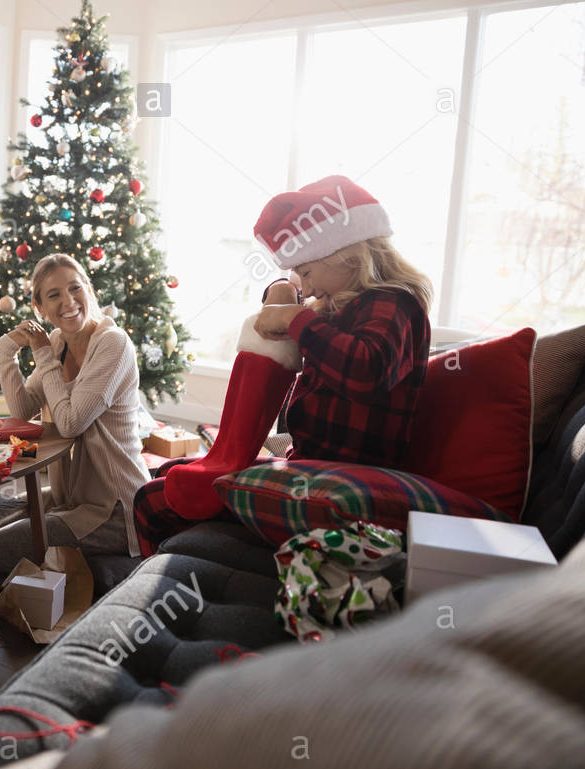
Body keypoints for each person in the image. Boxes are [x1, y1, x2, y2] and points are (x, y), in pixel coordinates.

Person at [133, 175, 433, 554]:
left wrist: (295, 319)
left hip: (341, 477)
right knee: (167, 471)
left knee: (152, 500)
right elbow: (303, 313)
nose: (304, 289)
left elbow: (366, 370)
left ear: (347, 254)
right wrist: (282, 291)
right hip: (310, 463)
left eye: (306, 272)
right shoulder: (347, 303)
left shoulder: (395, 304)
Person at [0, 253, 148, 572]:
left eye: (75, 288)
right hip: (67, 498)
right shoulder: (57, 342)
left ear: (89, 290)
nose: (68, 301)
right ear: (40, 308)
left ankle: (87, 557)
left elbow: (71, 423)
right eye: (54, 295)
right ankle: (60, 538)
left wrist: (42, 354)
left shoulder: (113, 344)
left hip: (114, 508)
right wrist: (6, 353)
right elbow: (23, 408)